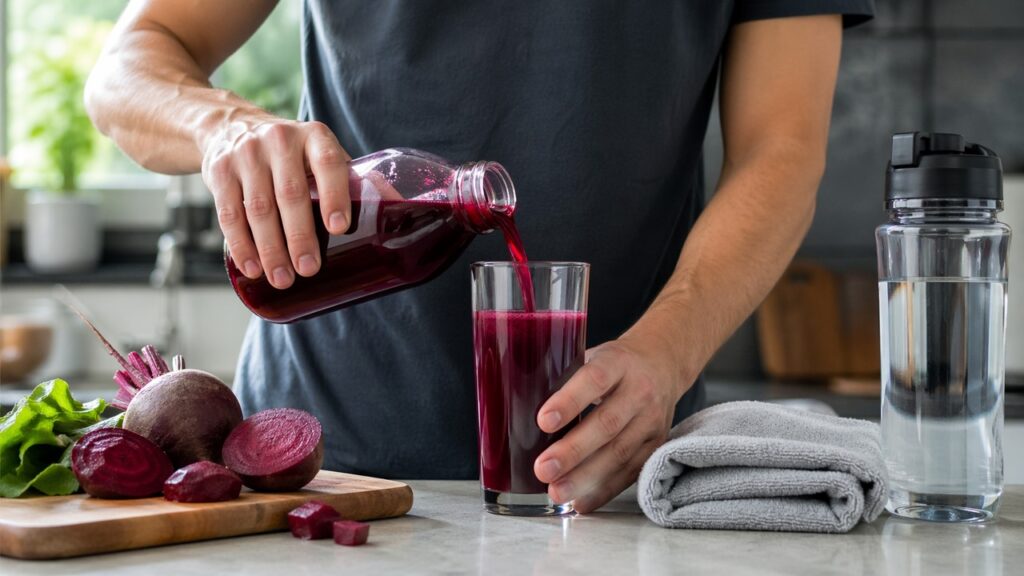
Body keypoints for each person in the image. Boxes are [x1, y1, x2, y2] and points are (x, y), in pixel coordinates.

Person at [86, 1, 873, 513]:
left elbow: (781, 150)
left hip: (619, 479)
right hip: (314, 480)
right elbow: (130, 63)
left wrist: (665, 354)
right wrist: (222, 126)